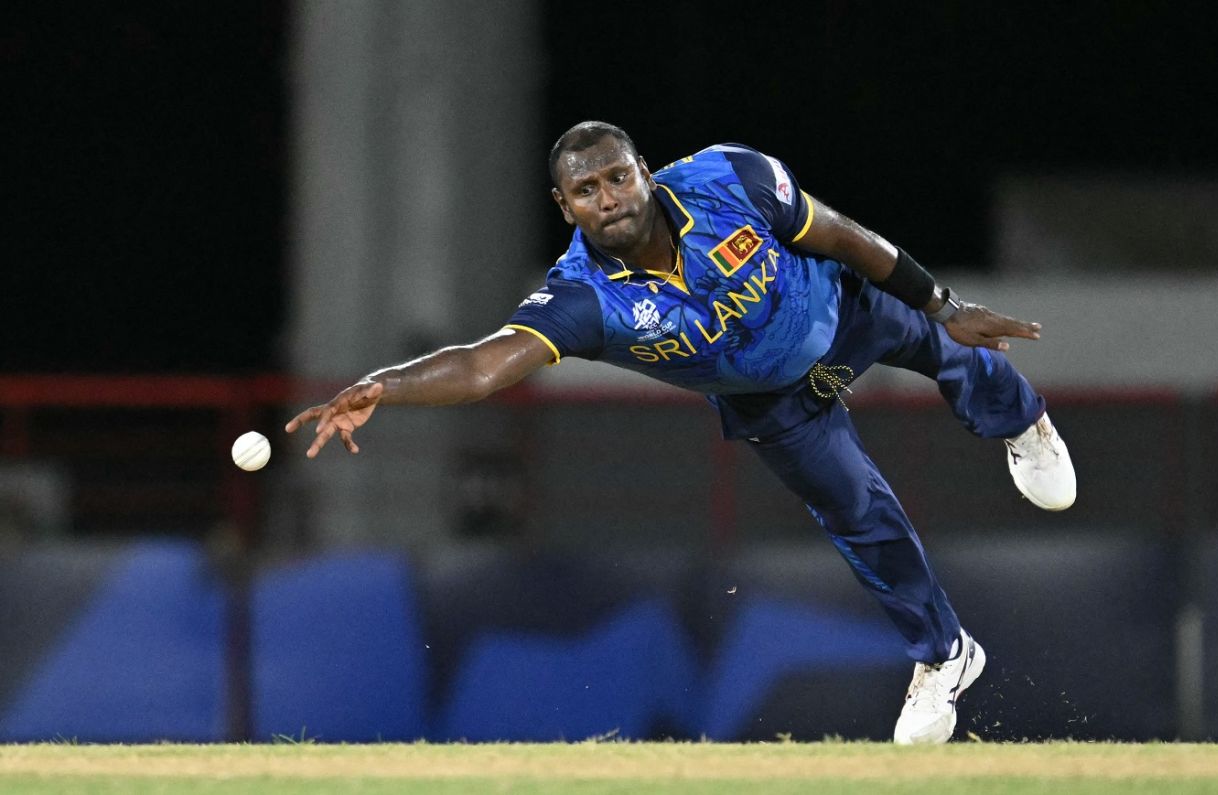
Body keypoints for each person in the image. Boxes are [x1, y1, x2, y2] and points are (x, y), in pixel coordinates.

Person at [286, 121, 1077, 745]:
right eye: (585, 190)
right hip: (773, 402)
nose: (608, 197)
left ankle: (1025, 424)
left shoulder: (731, 176)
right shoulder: (582, 297)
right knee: (858, 518)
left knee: (955, 348)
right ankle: (945, 654)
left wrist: (940, 301)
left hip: (841, 313)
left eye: (617, 176)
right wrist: (384, 387)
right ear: (565, 208)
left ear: (644, 171)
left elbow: (842, 236)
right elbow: (484, 365)